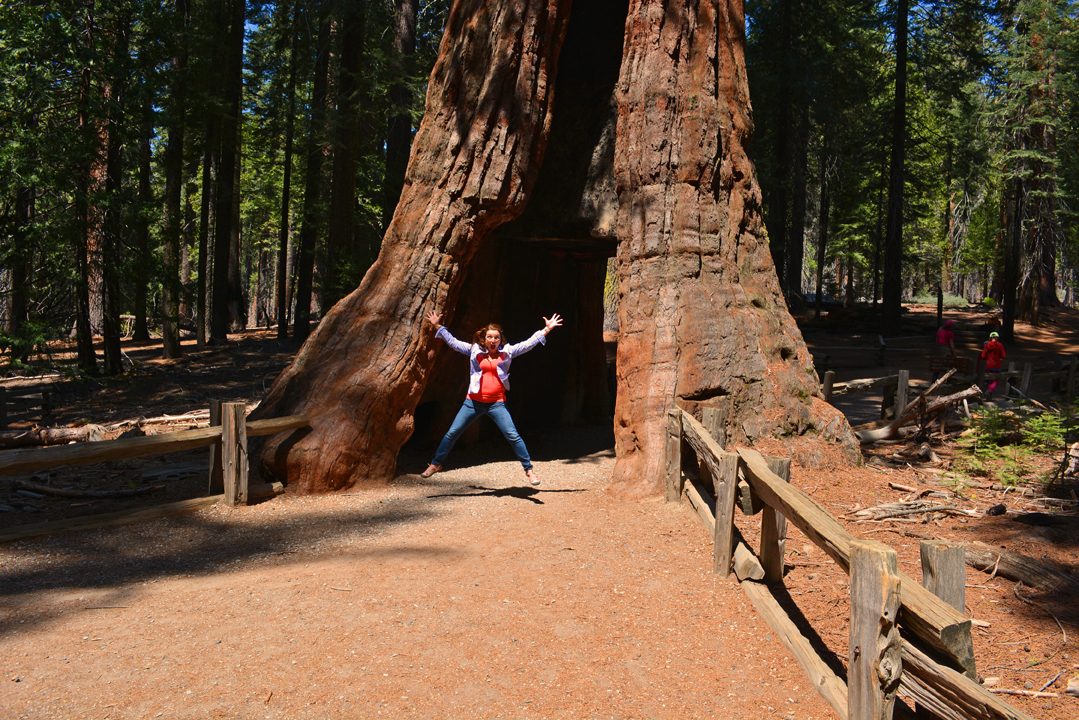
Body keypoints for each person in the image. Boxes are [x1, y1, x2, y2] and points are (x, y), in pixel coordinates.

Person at [421, 310, 563, 486]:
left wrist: (546, 329)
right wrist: (437, 326)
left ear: (500, 339)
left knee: (512, 435)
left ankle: (529, 470)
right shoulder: (474, 351)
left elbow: (528, 344)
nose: (493, 340)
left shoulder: (507, 352)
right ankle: (435, 464)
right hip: (472, 402)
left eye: (496, 337)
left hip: (497, 404)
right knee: (452, 433)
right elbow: (453, 343)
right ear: (484, 339)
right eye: (490, 337)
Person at [978, 331, 1006, 400]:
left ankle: (989, 397)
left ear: (990, 338)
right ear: (997, 338)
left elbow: (983, 356)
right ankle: (989, 391)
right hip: (997, 366)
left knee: (990, 380)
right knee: (996, 380)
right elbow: (1003, 356)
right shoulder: (1000, 345)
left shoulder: (986, 345)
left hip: (988, 366)